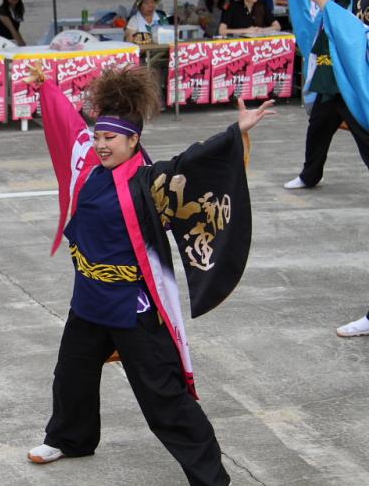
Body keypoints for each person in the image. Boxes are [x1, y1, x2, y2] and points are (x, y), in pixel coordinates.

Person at [23, 62, 274, 485]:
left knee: (163, 397)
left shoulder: (151, 182)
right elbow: (70, 124)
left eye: (110, 139)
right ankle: (72, 438)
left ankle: (212, 478)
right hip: (88, 296)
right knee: (72, 372)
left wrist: (237, 131)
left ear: (134, 140)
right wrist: (46, 86)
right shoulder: (89, 166)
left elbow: (194, 162)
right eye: (98, 136)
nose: (101, 145)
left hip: (132, 306)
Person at [289, 0, 369, 337]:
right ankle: (309, 173)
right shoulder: (355, 1)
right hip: (340, 85)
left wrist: (325, 4)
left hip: (354, 88)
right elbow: (354, 40)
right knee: (320, 127)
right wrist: (320, 6)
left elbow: (356, 37)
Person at [283, 0, 369, 190]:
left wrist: (322, 0)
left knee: (365, 134)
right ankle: (309, 176)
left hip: (350, 84)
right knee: (317, 132)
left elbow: (354, 33)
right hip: (328, 81)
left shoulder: (360, 5)